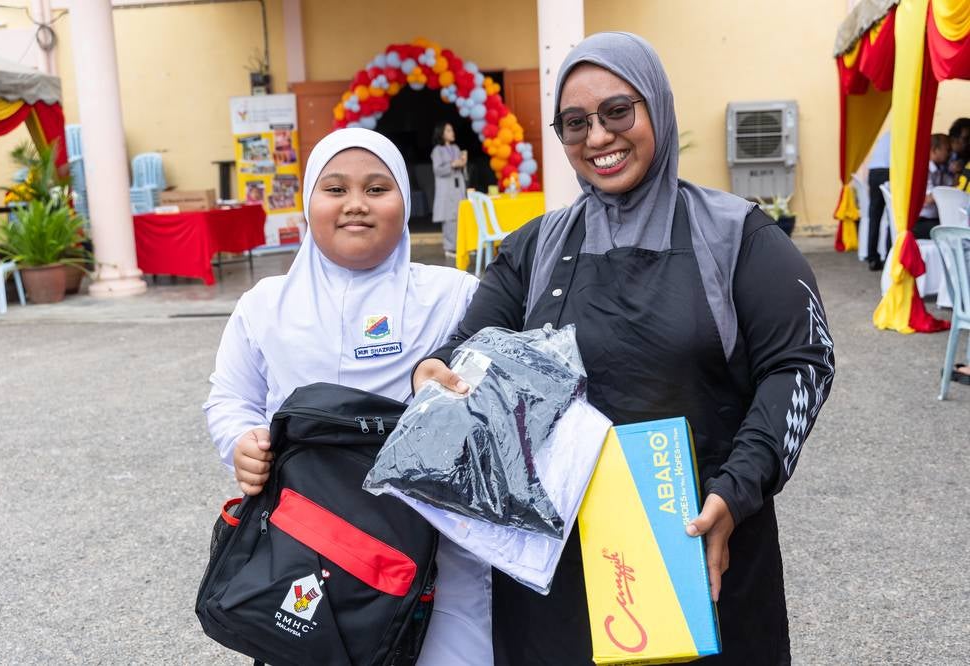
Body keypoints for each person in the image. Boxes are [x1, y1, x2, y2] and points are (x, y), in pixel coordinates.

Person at [413, 32, 835, 665]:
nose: (599, 137)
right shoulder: (533, 250)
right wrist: (436, 371)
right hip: (557, 565)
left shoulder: (735, 236)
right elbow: (472, 349)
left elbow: (802, 361)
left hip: (699, 545)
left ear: (657, 108)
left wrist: (737, 491)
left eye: (618, 111)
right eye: (575, 123)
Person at [203, 127, 492, 665]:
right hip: (301, 541)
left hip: (433, 552)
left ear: (406, 202)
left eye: (377, 189)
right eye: (334, 189)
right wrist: (242, 441)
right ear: (308, 201)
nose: (355, 204)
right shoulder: (265, 305)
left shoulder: (453, 296)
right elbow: (230, 398)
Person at [430, 121, 467, 258]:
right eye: (449, 130)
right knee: (449, 218)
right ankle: (450, 248)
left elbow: (461, 167)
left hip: (458, 186)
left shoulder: (456, 148)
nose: (452, 133)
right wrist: (452, 164)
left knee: (460, 215)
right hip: (446, 188)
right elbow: (437, 170)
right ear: (442, 134)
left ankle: (461, 245)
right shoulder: (437, 151)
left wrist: (463, 163)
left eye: (452, 130)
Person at [913, 133, 953, 240]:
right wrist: (945, 193)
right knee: (952, 234)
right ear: (935, 150)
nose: (950, 154)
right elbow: (927, 199)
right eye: (947, 150)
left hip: (933, 220)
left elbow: (953, 186)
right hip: (921, 221)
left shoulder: (939, 170)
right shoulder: (925, 170)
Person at [866, 130, 891, 270]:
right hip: (888, 172)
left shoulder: (886, 134)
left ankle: (872, 257)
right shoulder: (904, 133)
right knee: (893, 216)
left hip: (874, 172)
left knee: (874, 217)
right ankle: (889, 257)